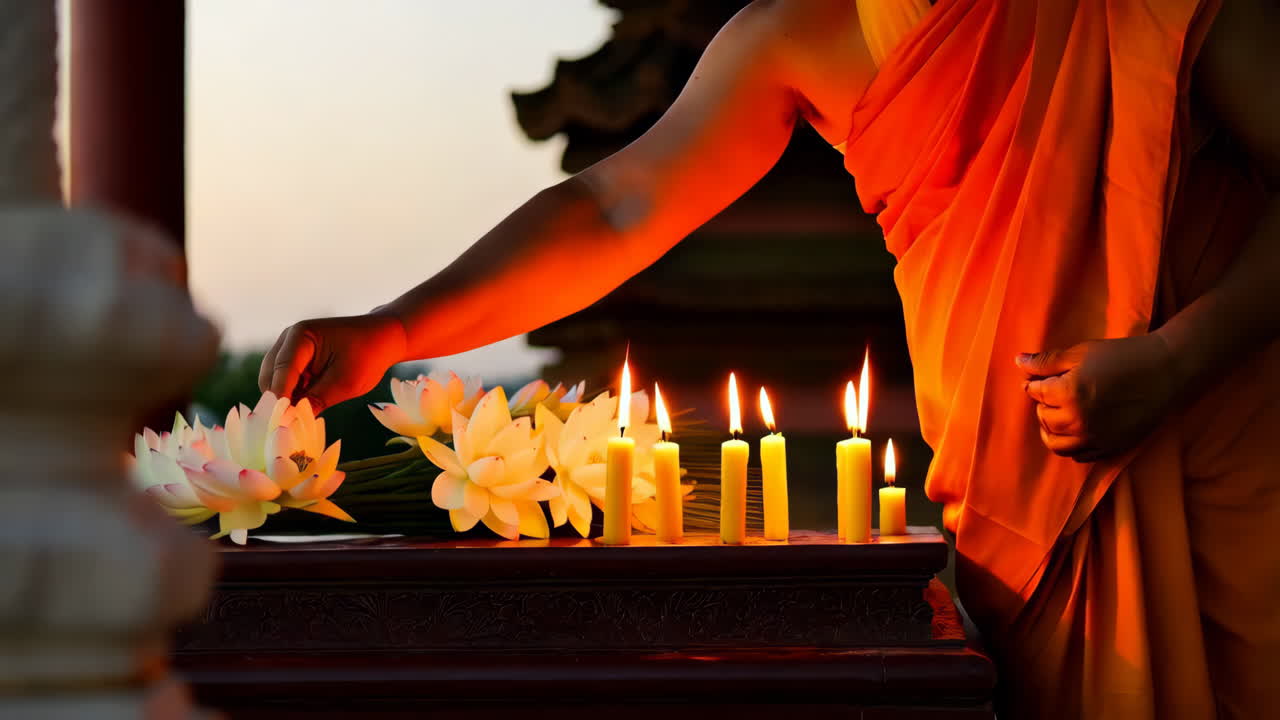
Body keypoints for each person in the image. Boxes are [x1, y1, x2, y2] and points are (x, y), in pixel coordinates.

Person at [260, 1, 1279, 716]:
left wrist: (1180, 357)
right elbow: (617, 206)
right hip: (1012, 494)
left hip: (1219, 472)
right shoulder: (805, 30)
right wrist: (395, 330)